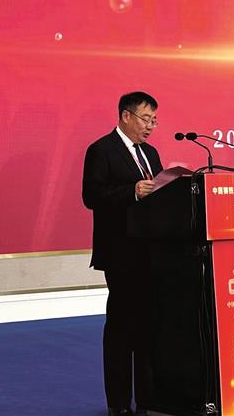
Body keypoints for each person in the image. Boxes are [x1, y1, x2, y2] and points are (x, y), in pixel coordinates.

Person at [82, 91, 163, 416]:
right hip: (120, 253)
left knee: (148, 329)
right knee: (121, 329)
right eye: (146, 119)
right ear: (126, 116)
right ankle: (118, 404)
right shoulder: (101, 149)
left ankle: (148, 399)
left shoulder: (151, 153)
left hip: (151, 253)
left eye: (154, 120)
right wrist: (132, 191)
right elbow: (91, 196)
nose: (151, 126)